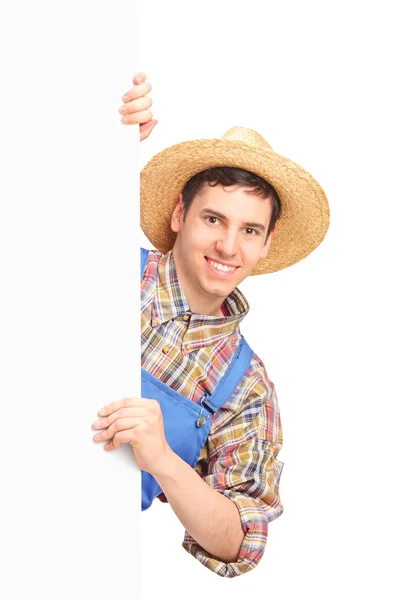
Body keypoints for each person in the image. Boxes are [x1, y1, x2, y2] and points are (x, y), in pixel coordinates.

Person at [92, 72, 330, 577]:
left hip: (76, 561)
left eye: (249, 230)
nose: (228, 247)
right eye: (214, 220)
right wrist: (97, 138)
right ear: (180, 213)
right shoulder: (100, 258)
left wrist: (164, 461)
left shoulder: (247, 389)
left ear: (266, 244)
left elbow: (240, 543)